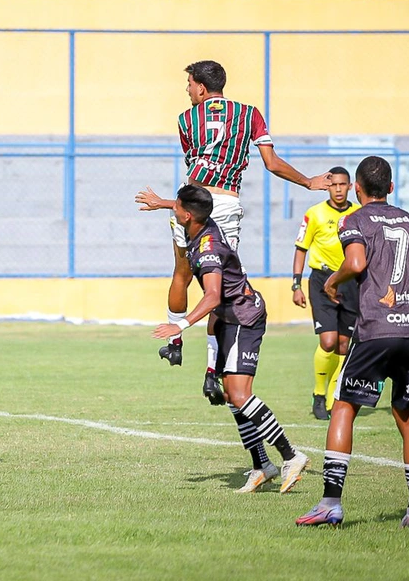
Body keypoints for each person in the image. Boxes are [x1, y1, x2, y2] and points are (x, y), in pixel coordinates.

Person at [135, 60, 332, 393]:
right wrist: (308, 182)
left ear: (200, 85)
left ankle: (175, 341)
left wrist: (169, 203)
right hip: (226, 203)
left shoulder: (185, 119)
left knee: (182, 272)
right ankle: (212, 369)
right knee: (222, 286)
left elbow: (196, 163)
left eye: (189, 84)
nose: (187, 90)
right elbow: (271, 163)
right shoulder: (250, 114)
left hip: (189, 203)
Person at [296, 156, 409, 529]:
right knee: (408, 416)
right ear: (390, 188)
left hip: (376, 329)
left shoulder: (353, 219)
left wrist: (332, 281)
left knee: (344, 407)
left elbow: (355, 263)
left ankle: (330, 505)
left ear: (356, 188)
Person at [153, 184, 310, 494]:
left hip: (243, 319)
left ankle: (291, 456)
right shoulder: (202, 224)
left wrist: (180, 325)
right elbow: (196, 204)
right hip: (229, 320)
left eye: (176, 209)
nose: (174, 212)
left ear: (187, 216)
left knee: (240, 395)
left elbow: (212, 297)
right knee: (231, 397)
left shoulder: (207, 247)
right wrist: (162, 203)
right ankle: (261, 465)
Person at [291, 166, 360, 420]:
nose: (338, 189)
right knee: (328, 341)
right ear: (327, 186)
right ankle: (319, 394)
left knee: (344, 344)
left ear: (350, 187)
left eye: (343, 185)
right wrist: (296, 284)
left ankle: (334, 398)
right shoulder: (314, 214)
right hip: (321, 279)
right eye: (334, 185)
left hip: (351, 281)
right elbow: (301, 248)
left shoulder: (358, 213)